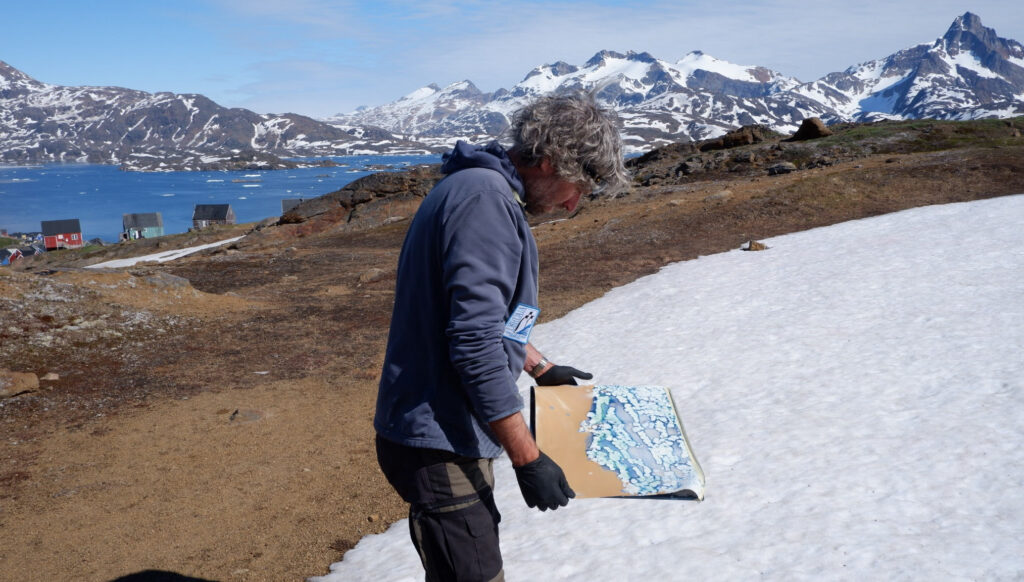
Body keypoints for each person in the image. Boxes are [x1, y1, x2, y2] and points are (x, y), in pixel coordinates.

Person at [374, 91, 629, 582]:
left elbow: (489, 320)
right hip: (439, 435)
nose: (574, 205)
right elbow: (473, 343)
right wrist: (528, 458)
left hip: (446, 427)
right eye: (579, 188)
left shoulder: (482, 191)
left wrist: (537, 365)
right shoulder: (485, 202)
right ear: (551, 161)